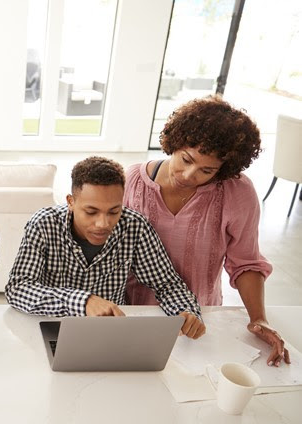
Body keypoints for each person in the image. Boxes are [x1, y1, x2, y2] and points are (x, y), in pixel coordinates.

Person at [124, 95, 289, 366]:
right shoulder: (133, 181)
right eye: (186, 159)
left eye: (207, 170)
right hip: (135, 311)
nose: (189, 175)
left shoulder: (238, 192)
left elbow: (246, 262)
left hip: (198, 318)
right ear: (174, 142)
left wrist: (258, 318)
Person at [5, 156, 205, 339]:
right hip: (52, 327)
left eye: (113, 211)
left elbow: (167, 284)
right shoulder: (44, 224)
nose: (103, 223)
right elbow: (17, 288)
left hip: (111, 334)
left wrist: (186, 311)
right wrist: (84, 301)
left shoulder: (135, 226)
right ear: (71, 202)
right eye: (91, 212)